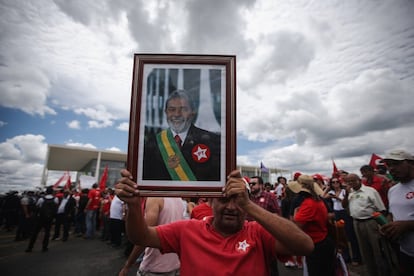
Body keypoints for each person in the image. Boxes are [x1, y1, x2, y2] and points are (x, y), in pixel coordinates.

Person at [115, 169, 314, 275]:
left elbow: (305, 245)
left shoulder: (257, 232)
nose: (231, 207)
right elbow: (140, 236)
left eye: (238, 200)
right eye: (224, 199)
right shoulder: (187, 230)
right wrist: (133, 207)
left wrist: (249, 206)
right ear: (210, 201)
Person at [142, 90, 221, 181]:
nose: (177, 114)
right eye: (172, 110)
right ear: (166, 112)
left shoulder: (213, 142)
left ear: (192, 112)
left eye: (183, 109)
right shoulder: (151, 144)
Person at [342, 173, 397, 276]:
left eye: (352, 181)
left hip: (370, 222)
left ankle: (385, 272)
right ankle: (372, 272)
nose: (350, 183)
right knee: (365, 251)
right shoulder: (350, 192)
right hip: (357, 222)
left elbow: (381, 209)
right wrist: (346, 193)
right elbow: (344, 205)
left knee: (378, 250)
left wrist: (381, 224)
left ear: (359, 180)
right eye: (348, 182)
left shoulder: (370, 191)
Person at [119, 197, 184, 276]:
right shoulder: (178, 199)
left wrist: (128, 264)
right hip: (175, 265)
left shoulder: (155, 198)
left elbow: (143, 238)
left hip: (155, 267)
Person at [289, 175, 336, 276]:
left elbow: (297, 227)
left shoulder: (308, 204)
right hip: (322, 241)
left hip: (316, 244)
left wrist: (296, 213)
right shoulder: (318, 201)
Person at [381, 149, 414, 276]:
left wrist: (407, 225)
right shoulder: (393, 190)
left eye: (396, 163)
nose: (391, 168)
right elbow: (392, 213)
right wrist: (388, 224)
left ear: (411, 163)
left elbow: (404, 223)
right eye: (389, 165)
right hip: (405, 252)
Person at [322, 176, 361, 265]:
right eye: (333, 182)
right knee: (341, 236)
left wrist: (337, 198)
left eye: (337, 182)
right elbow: (322, 198)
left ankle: (356, 257)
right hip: (337, 213)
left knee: (351, 235)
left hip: (345, 212)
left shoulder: (344, 191)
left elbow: (347, 201)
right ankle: (346, 257)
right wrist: (327, 189)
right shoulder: (331, 192)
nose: (335, 184)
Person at [25, 186, 58, 252]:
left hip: (41, 218)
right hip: (49, 218)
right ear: (52, 192)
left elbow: (37, 207)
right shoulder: (55, 199)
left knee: (35, 233)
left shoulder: (41, 199)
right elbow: (55, 209)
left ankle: (30, 247)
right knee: (47, 233)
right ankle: (44, 247)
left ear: (46, 192)